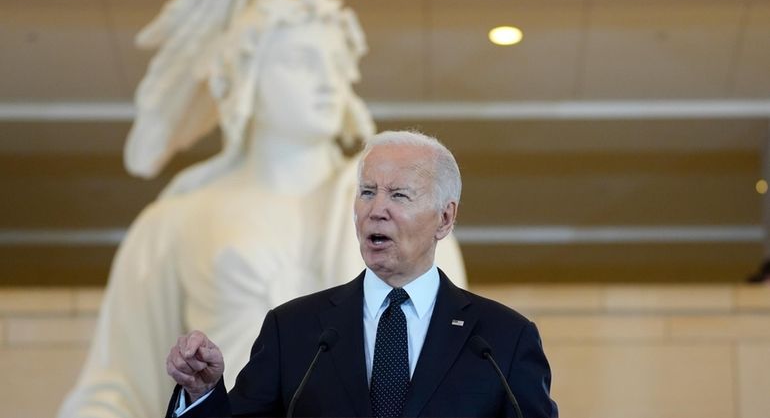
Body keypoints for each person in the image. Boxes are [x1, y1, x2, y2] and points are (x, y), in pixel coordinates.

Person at [58, 0, 466, 418]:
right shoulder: (176, 221)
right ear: (246, 73)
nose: (329, 80)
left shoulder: (408, 216)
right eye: (302, 61)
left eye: (337, 63)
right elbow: (118, 386)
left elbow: (448, 364)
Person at [165, 131, 558, 418]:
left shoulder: (502, 340)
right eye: (367, 192)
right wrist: (202, 394)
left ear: (445, 217)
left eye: (399, 195)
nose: (376, 209)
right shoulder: (294, 329)